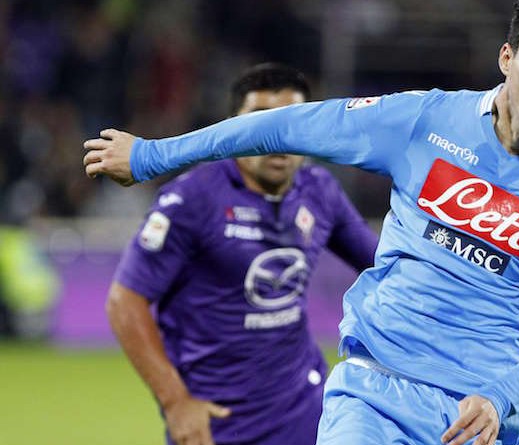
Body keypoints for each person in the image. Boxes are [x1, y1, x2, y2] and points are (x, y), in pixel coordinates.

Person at [85, 1, 519, 444]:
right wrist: (154, 156)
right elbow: (287, 125)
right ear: (507, 58)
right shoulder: (423, 121)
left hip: (479, 417)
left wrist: (502, 397)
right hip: (372, 393)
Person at [104, 63, 378, 445]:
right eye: (260, 121)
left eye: (291, 121)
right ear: (235, 129)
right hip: (217, 419)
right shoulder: (193, 198)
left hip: (307, 409)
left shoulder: (320, 190)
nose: (276, 137)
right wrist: (176, 403)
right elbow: (125, 302)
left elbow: (384, 265)